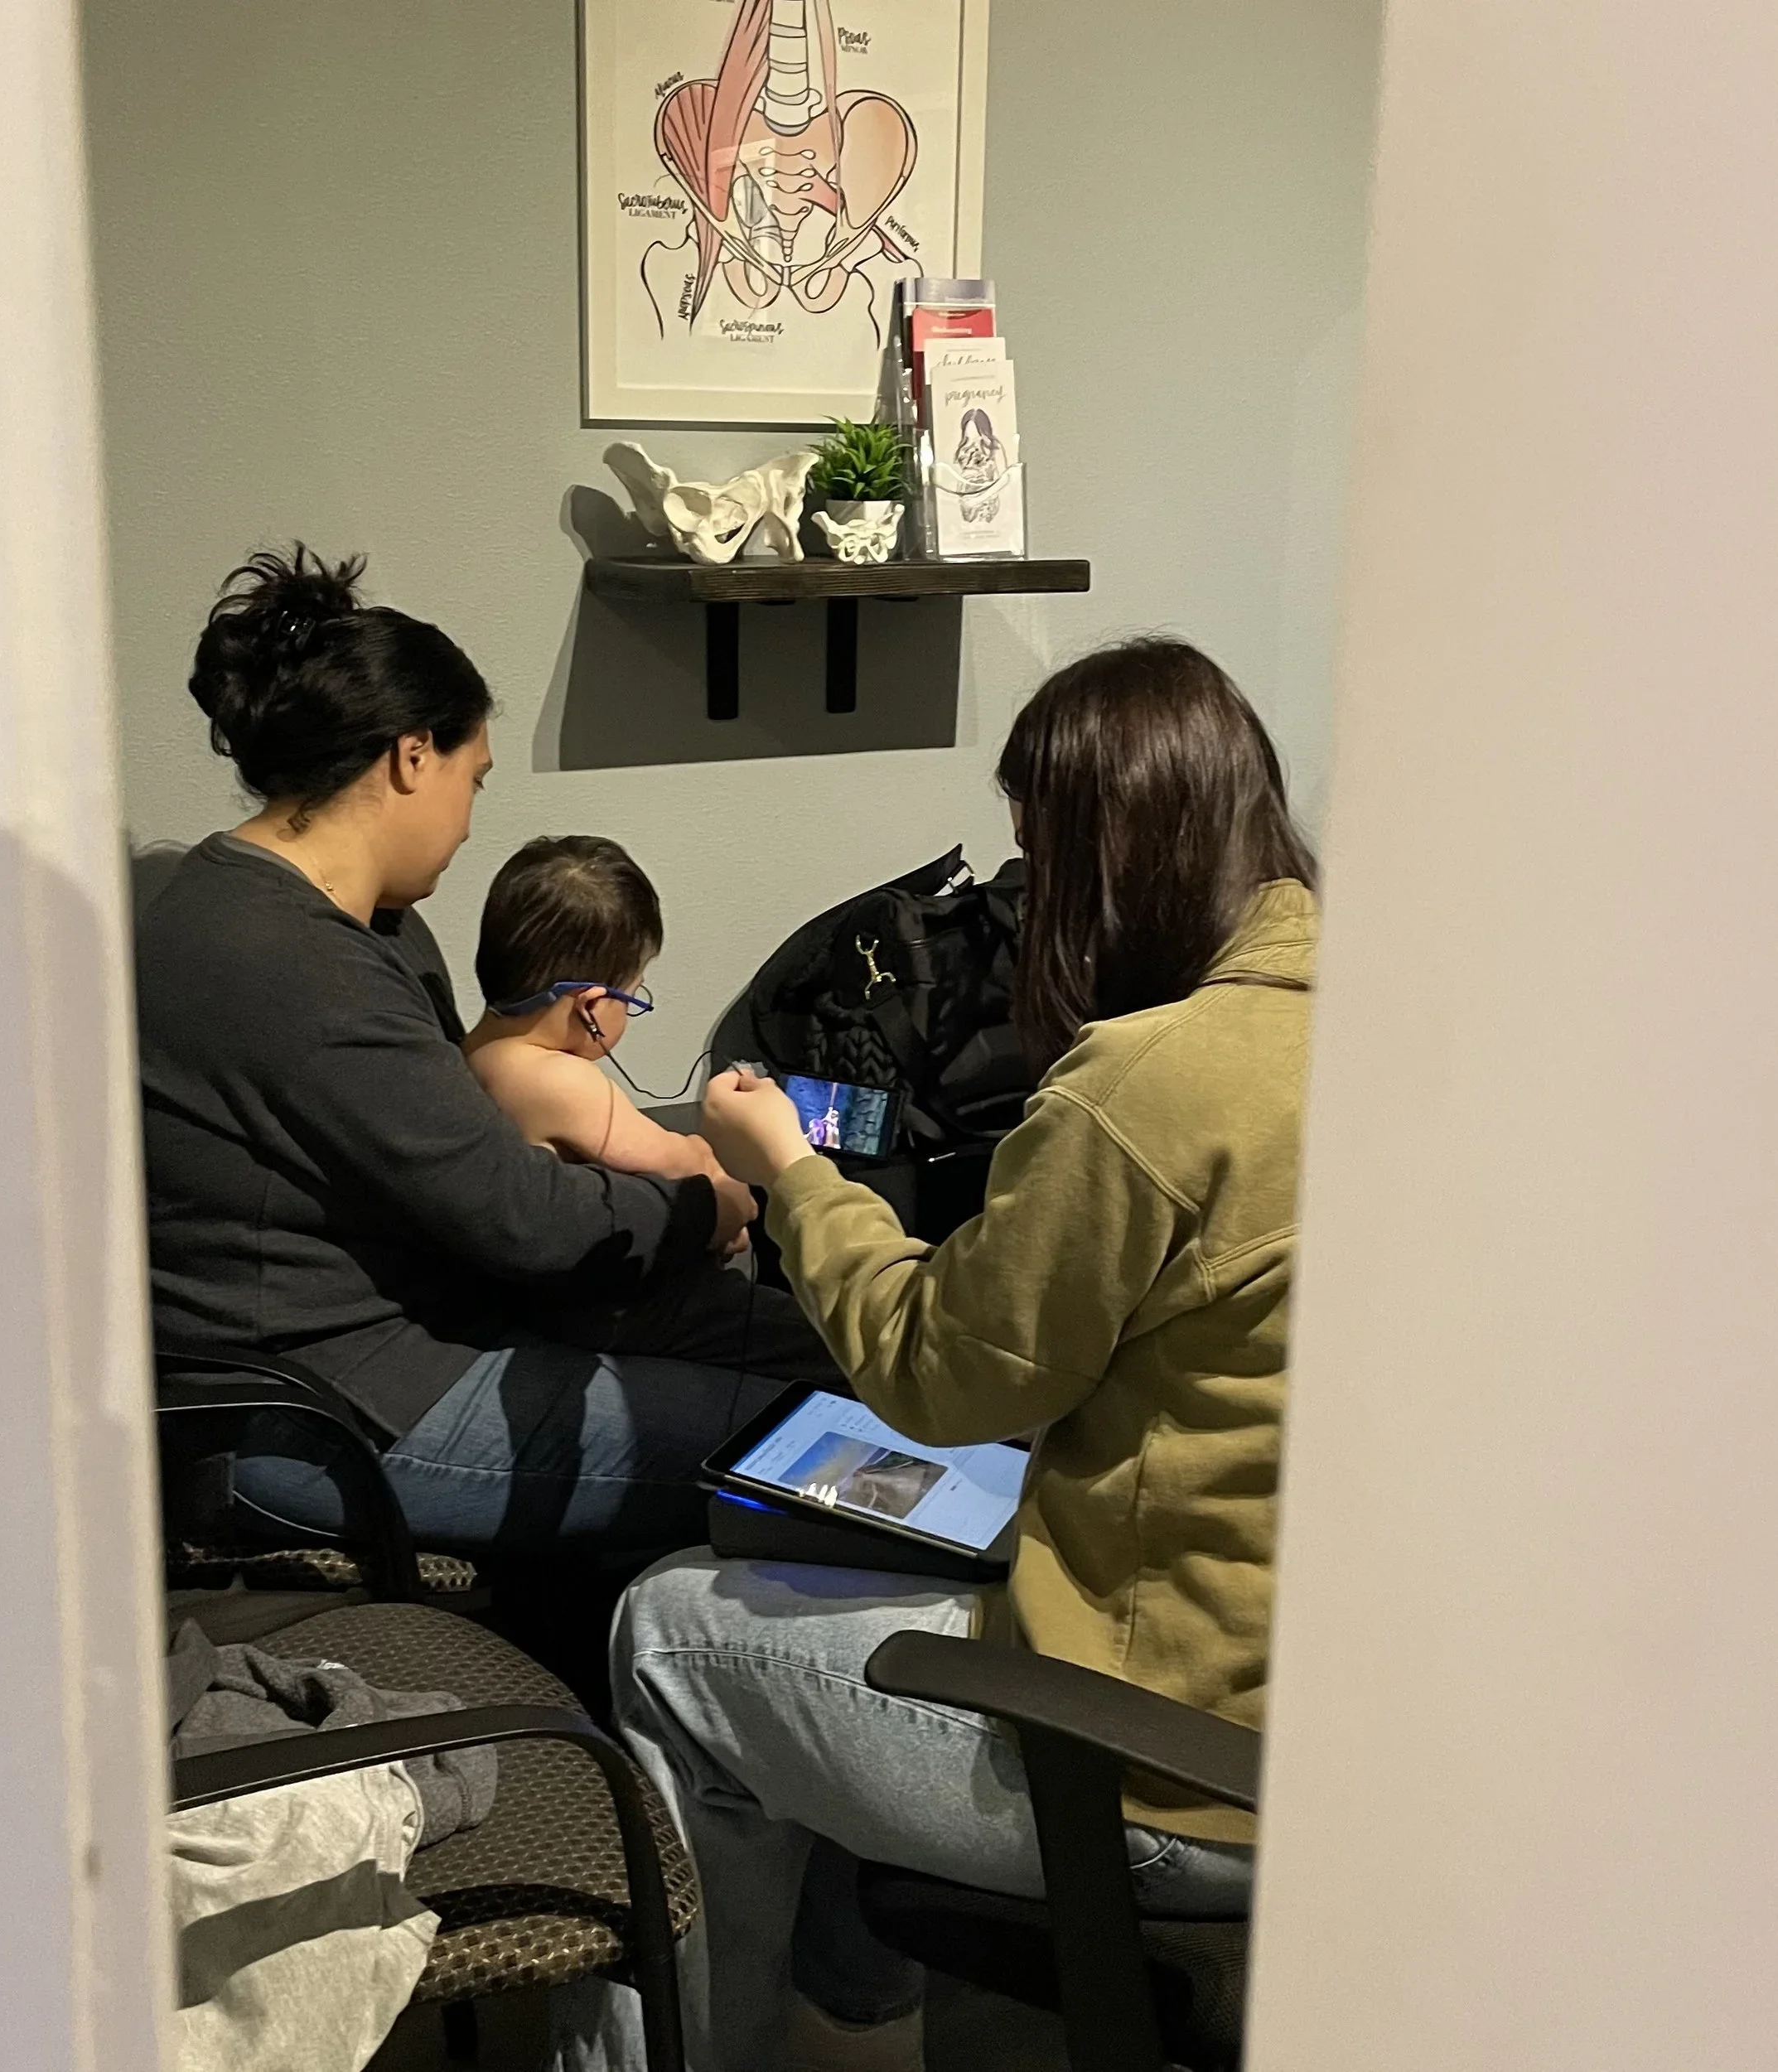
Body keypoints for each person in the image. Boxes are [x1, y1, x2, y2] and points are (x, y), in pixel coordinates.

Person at [603, 639, 1318, 2072]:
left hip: (1160, 1766)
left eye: (1042, 866)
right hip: (1323, 1730)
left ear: (1109, 863)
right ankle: (862, 2012)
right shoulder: (1389, 1017)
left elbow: (942, 1377)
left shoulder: (1143, 1089)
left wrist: (794, 1172)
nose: (1032, 906)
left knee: (670, 1631)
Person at [136, 544, 837, 1562]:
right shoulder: (277, 957)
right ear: (411, 756)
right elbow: (518, 1216)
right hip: (323, 1415)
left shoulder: (360, 923)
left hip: (424, 1331)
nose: (469, 823)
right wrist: (702, 1203)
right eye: (473, 777)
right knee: (806, 1446)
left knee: (824, 1354)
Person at [463, 835, 737, 1193]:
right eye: (634, 995)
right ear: (590, 1007)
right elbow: (680, 1163)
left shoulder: (472, 1050)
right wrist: (712, 1144)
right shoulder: (560, 1080)